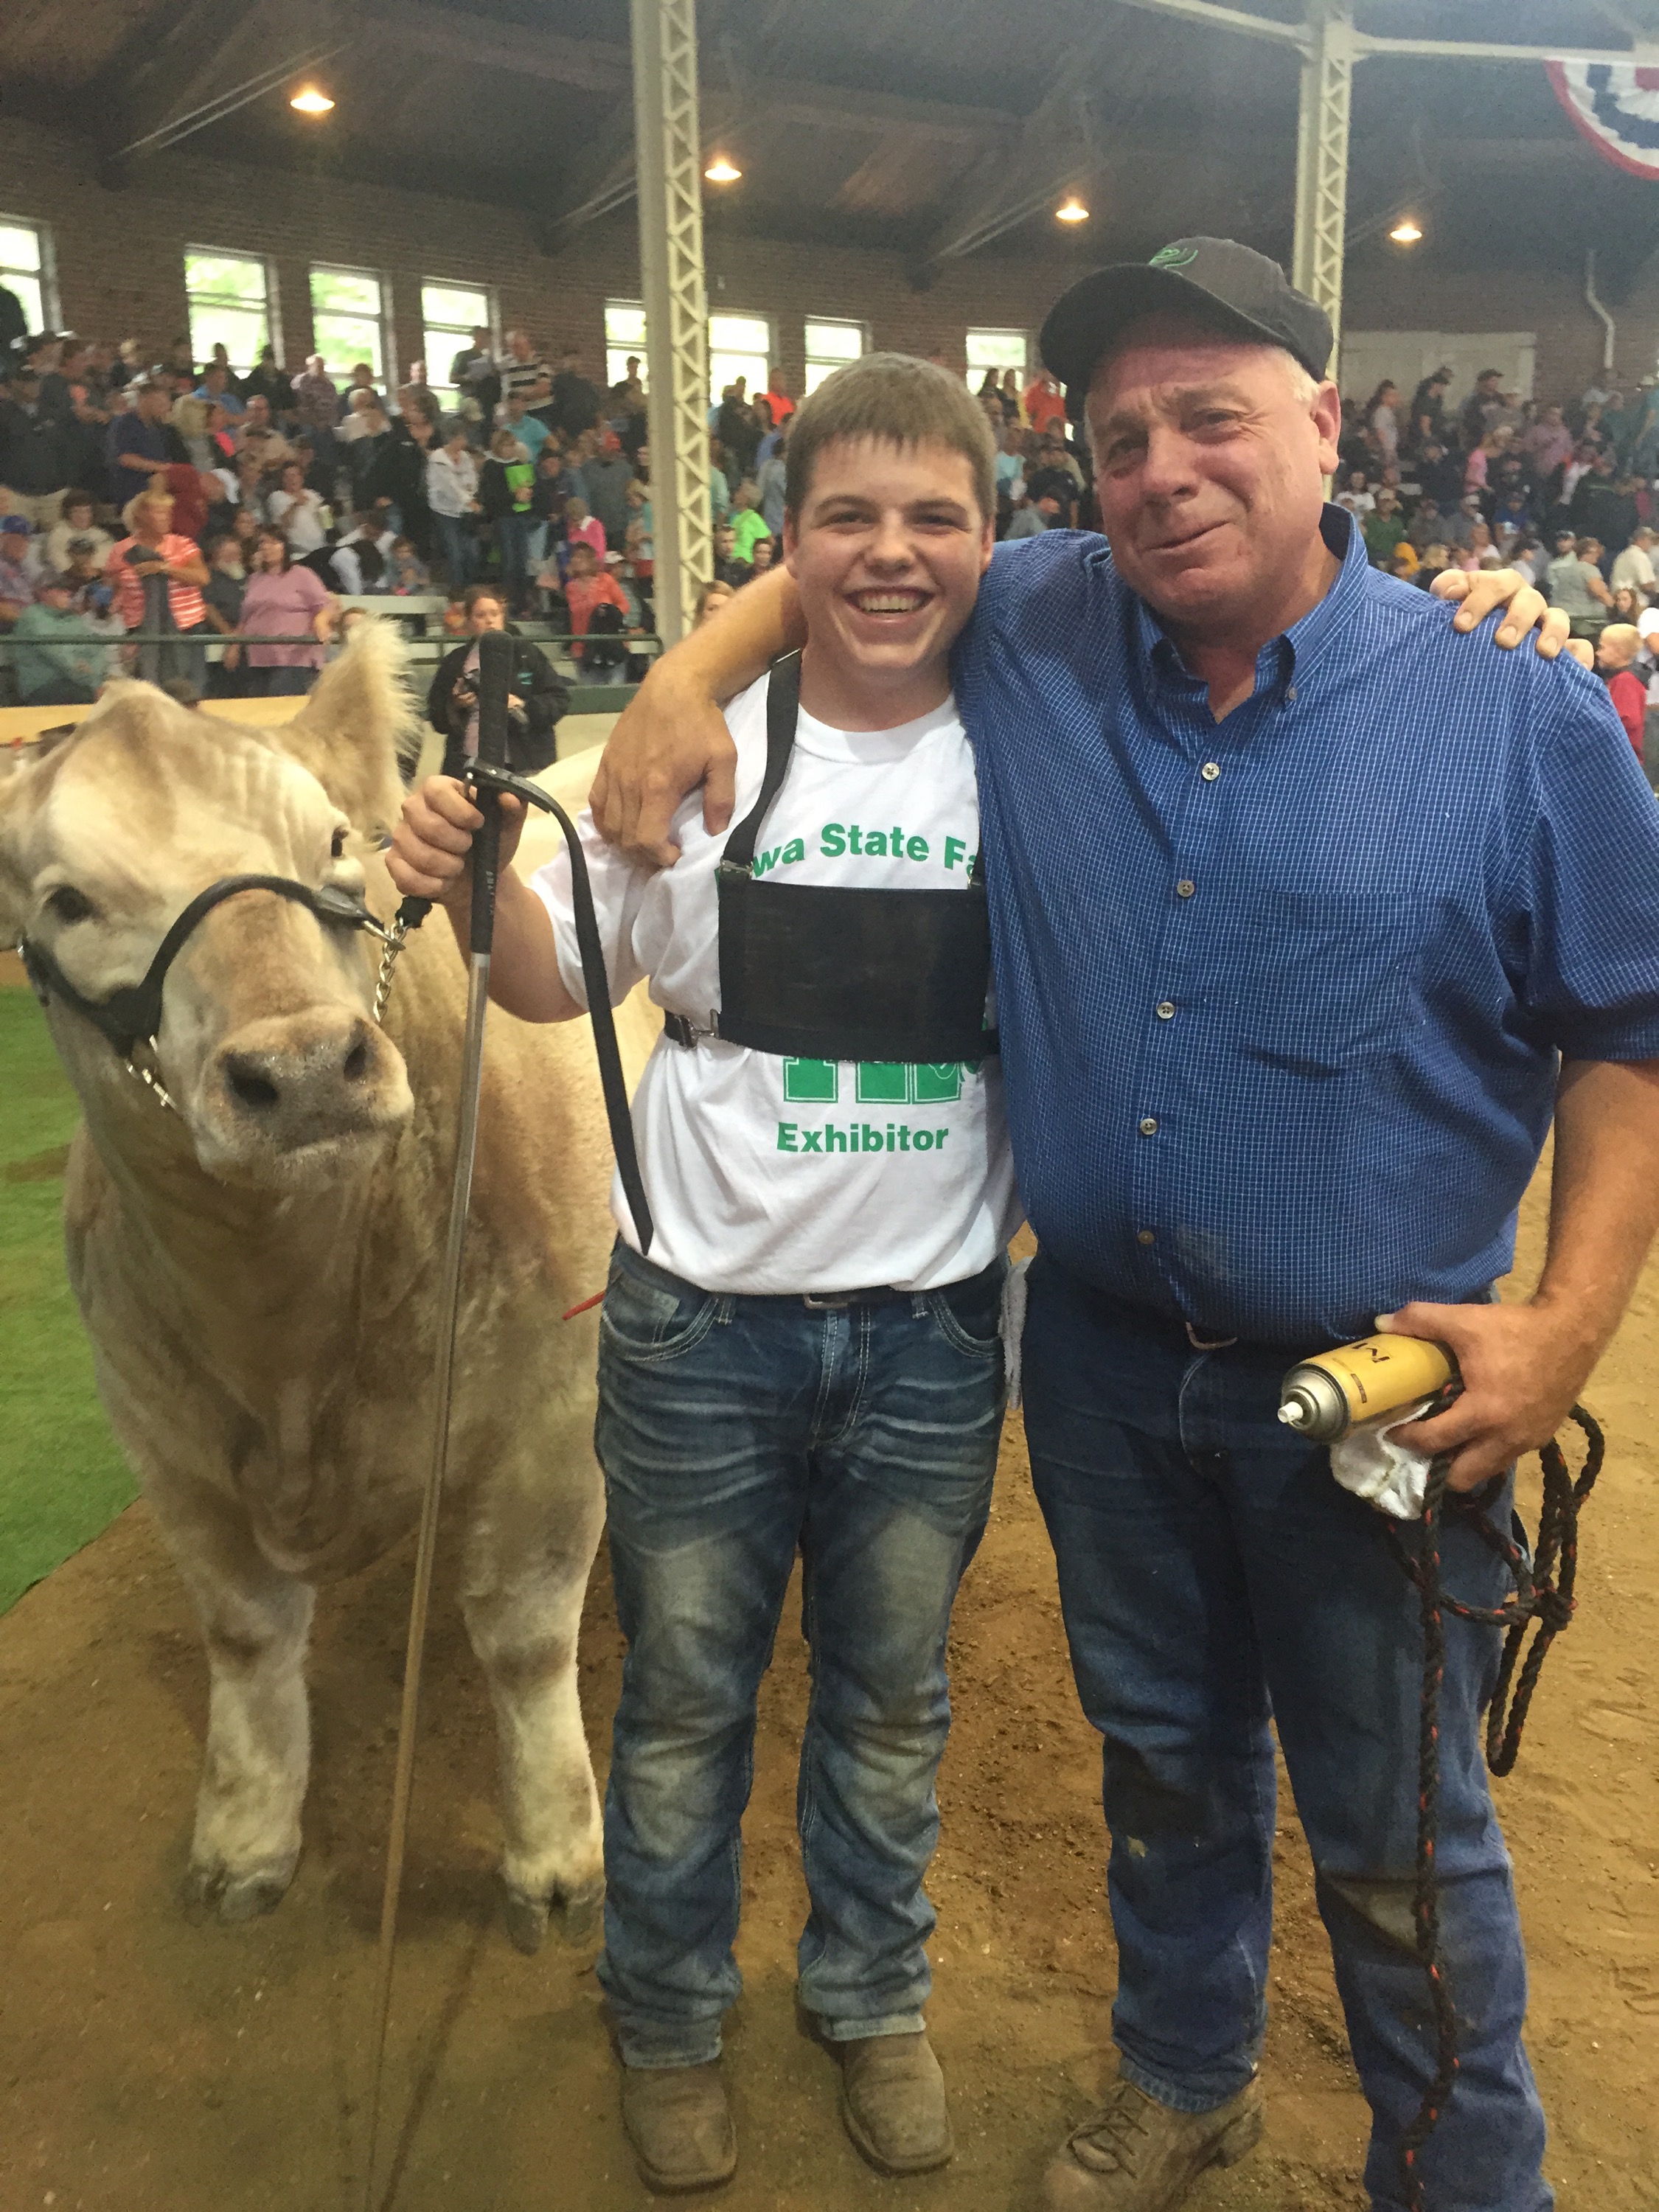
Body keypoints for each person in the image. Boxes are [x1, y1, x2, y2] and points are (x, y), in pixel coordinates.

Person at [587, 238, 1652, 2212]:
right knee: (1163, 1764)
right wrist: (679, 667)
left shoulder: (1516, 708)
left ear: (1327, 430)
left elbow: (1628, 1029)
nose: (1163, 468)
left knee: (1401, 1830)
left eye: (1215, 419)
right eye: (1123, 435)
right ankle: (1185, 2078)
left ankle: (1462, 2175)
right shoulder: (1050, 619)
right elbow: (849, 550)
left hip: (1380, 1393)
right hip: (1089, 1361)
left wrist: (1572, 1320)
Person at [387, 354, 1020, 2195]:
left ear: (987, 537)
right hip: (698, 1332)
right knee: (680, 1695)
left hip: (929, 1330)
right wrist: (464, 873)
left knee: (893, 1701)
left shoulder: (1034, 740)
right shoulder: (673, 756)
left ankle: (867, 1993)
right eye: (846, 517)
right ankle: (664, 2012)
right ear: (786, 541)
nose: (890, 554)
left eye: (933, 517)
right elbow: (539, 980)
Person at [422, 581, 566, 776]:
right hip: (468, 765)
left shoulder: (528, 654)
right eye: (480, 615)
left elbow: (560, 699)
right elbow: (437, 719)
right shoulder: (455, 662)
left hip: (526, 762)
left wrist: (523, 705)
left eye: (494, 614)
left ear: (503, 617)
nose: (489, 621)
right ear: (469, 621)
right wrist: (455, 706)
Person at [105, 486, 210, 686]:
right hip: (142, 629)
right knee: (149, 689)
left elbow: (202, 578)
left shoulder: (183, 544)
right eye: (160, 512)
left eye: (168, 512)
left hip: (186, 627)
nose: (167, 517)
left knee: (189, 687)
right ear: (141, 516)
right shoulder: (121, 550)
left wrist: (163, 568)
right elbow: (113, 587)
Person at [237, 525, 335, 694]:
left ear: (284, 546)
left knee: (282, 705)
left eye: (273, 542)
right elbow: (246, 618)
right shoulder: (255, 579)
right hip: (259, 657)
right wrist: (234, 646)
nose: (266, 547)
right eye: (263, 543)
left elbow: (325, 604)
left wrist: (321, 621)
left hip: (294, 657)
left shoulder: (302, 574)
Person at [7, 568, 108, 703]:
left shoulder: (74, 619)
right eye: (61, 589)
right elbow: (60, 657)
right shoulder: (32, 616)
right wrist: (91, 682)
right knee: (87, 697)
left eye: (68, 589)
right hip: (42, 687)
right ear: (43, 592)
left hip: (81, 683)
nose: (68, 593)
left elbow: (97, 651)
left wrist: (95, 682)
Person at [479, 427, 536, 612]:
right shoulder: (492, 466)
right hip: (503, 518)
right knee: (509, 561)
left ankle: (522, 603)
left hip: (520, 517)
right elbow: (491, 498)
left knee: (521, 561)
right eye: (506, 445)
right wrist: (514, 497)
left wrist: (528, 493)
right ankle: (508, 601)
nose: (510, 449)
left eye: (512, 445)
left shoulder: (519, 463)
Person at [428, 420, 481, 586]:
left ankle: (470, 586)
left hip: (465, 513)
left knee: (473, 553)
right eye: (459, 438)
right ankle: (459, 591)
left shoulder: (465, 457)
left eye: (464, 438)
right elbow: (448, 487)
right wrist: (468, 500)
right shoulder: (438, 458)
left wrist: (469, 494)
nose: (463, 442)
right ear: (450, 438)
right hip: (445, 512)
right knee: (455, 554)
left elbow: (472, 480)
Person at [1546, 532, 1613, 639]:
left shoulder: (1565, 570)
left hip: (1564, 619)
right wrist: (1616, 608)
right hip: (1585, 623)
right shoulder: (1589, 569)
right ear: (1589, 552)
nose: (1598, 556)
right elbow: (1600, 593)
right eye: (1596, 553)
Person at [1596, 621, 1647, 758]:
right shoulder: (1621, 679)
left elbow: (1628, 719)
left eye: (1602, 648)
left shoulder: (1625, 681)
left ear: (1619, 652)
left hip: (1621, 754)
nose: (1598, 653)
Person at [266, 459, 330, 556]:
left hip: (321, 546)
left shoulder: (313, 495)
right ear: (282, 480)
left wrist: (326, 512)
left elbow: (328, 523)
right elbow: (283, 526)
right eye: (287, 476)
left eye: (295, 475)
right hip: (298, 550)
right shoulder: (277, 497)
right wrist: (295, 505)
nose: (292, 479)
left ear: (301, 478)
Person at [44, 491, 112, 576]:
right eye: (76, 511)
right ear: (68, 513)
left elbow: (104, 563)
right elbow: (59, 563)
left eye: (86, 511)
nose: (82, 516)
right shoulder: (58, 534)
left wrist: (93, 571)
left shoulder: (102, 536)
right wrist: (78, 572)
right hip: (66, 579)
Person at [1610, 524, 1657, 603]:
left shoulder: (1623, 555)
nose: (1651, 544)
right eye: (1650, 540)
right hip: (1636, 603)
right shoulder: (1640, 556)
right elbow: (1647, 585)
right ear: (1641, 540)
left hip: (1619, 601)